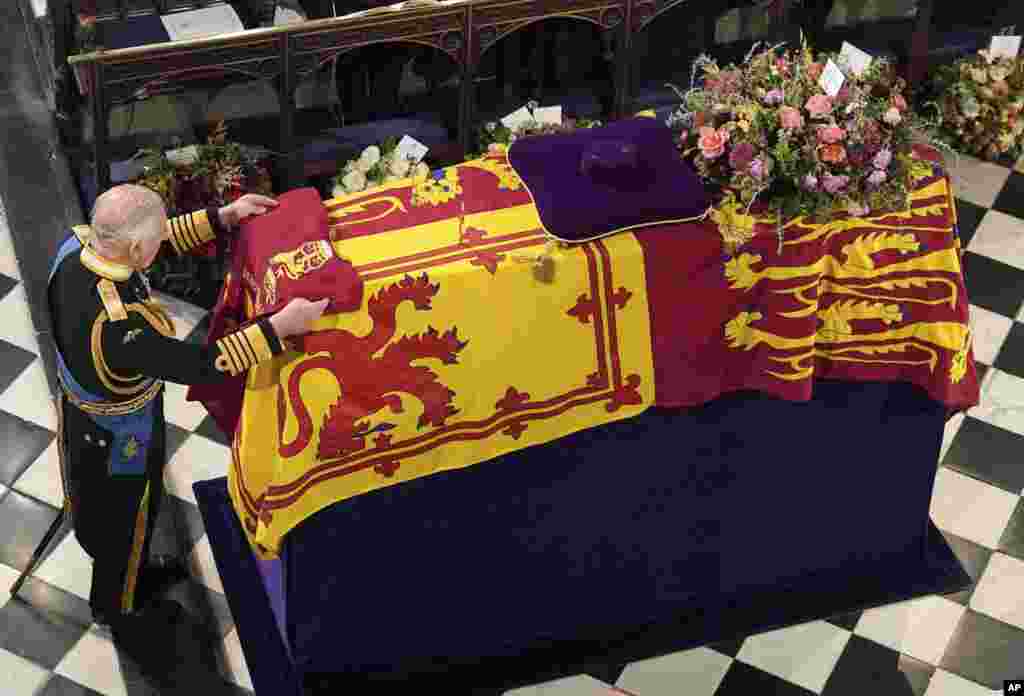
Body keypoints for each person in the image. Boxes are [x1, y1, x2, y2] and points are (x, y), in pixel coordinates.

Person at [47, 184, 328, 685]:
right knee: (124, 522)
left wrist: (224, 216)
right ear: (136, 249)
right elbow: (198, 364)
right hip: (117, 439)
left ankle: (132, 577)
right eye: (153, 242)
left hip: (91, 418)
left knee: (132, 518)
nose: (160, 245)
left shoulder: (81, 245)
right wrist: (278, 327)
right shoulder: (119, 326)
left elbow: (153, 241)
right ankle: (121, 608)